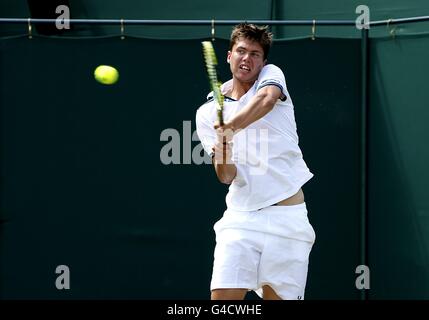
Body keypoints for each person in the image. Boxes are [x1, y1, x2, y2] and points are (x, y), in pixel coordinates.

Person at [196, 23, 316, 300]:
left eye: (255, 54)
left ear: (263, 62)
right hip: (240, 219)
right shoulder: (205, 115)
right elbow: (226, 176)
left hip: (288, 219)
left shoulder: (272, 77)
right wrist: (223, 150)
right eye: (240, 51)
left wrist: (231, 127)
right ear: (229, 56)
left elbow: (266, 100)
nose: (246, 58)